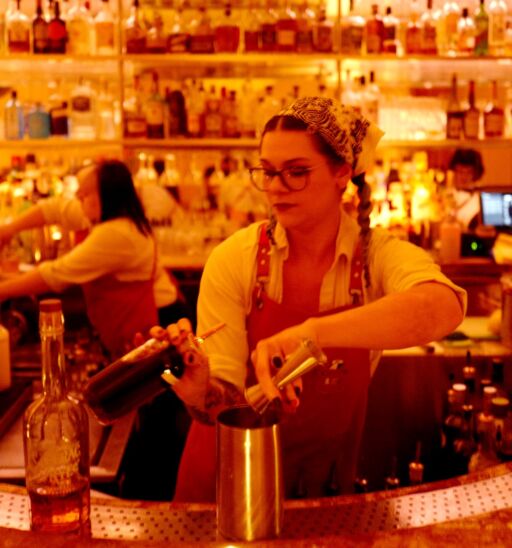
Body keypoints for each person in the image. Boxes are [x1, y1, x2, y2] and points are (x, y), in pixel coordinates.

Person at [153, 97, 467, 502]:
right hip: (228, 482)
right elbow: (223, 406)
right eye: (267, 173)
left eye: (296, 173)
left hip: (322, 486)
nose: (276, 189)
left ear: (342, 173)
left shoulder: (375, 257)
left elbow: (444, 306)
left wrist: (313, 334)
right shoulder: (236, 259)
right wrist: (198, 392)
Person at [0, 159, 191, 500]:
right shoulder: (101, 216)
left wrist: (2, 288)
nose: (80, 200)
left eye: (87, 193)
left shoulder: (115, 232)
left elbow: (57, 274)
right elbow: (54, 208)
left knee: (159, 426)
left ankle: (151, 502)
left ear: (108, 195)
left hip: (161, 326)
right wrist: (7, 230)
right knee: (145, 416)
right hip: (142, 326)